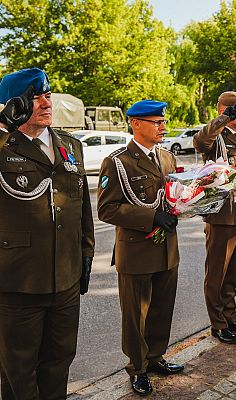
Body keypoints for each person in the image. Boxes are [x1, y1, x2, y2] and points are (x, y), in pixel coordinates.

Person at [0, 68, 95, 399]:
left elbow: (82, 207)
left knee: (59, 362)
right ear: (13, 104)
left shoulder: (69, 145)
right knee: (18, 370)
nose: (45, 101)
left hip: (65, 279)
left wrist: (86, 255)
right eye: (34, 96)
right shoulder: (4, 145)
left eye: (47, 94)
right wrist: (3, 126)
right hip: (18, 282)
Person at [97, 100, 183, 396]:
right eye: (156, 122)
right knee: (136, 315)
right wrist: (150, 216)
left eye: (162, 121)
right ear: (136, 124)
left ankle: (156, 356)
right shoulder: (118, 161)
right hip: (136, 250)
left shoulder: (167, 157)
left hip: (167, 247)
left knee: (162, 308)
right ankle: (137, 367)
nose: (163, 126)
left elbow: (174, 193)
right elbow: (106, 210)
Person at [193, 91, 236, 344]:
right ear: (224, 110)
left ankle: (230, 315)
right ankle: (218, 323)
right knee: (217, 273)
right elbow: (200, 141)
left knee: (233, 272)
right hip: (223, 215)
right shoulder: (216, 138)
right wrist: (221, 119)